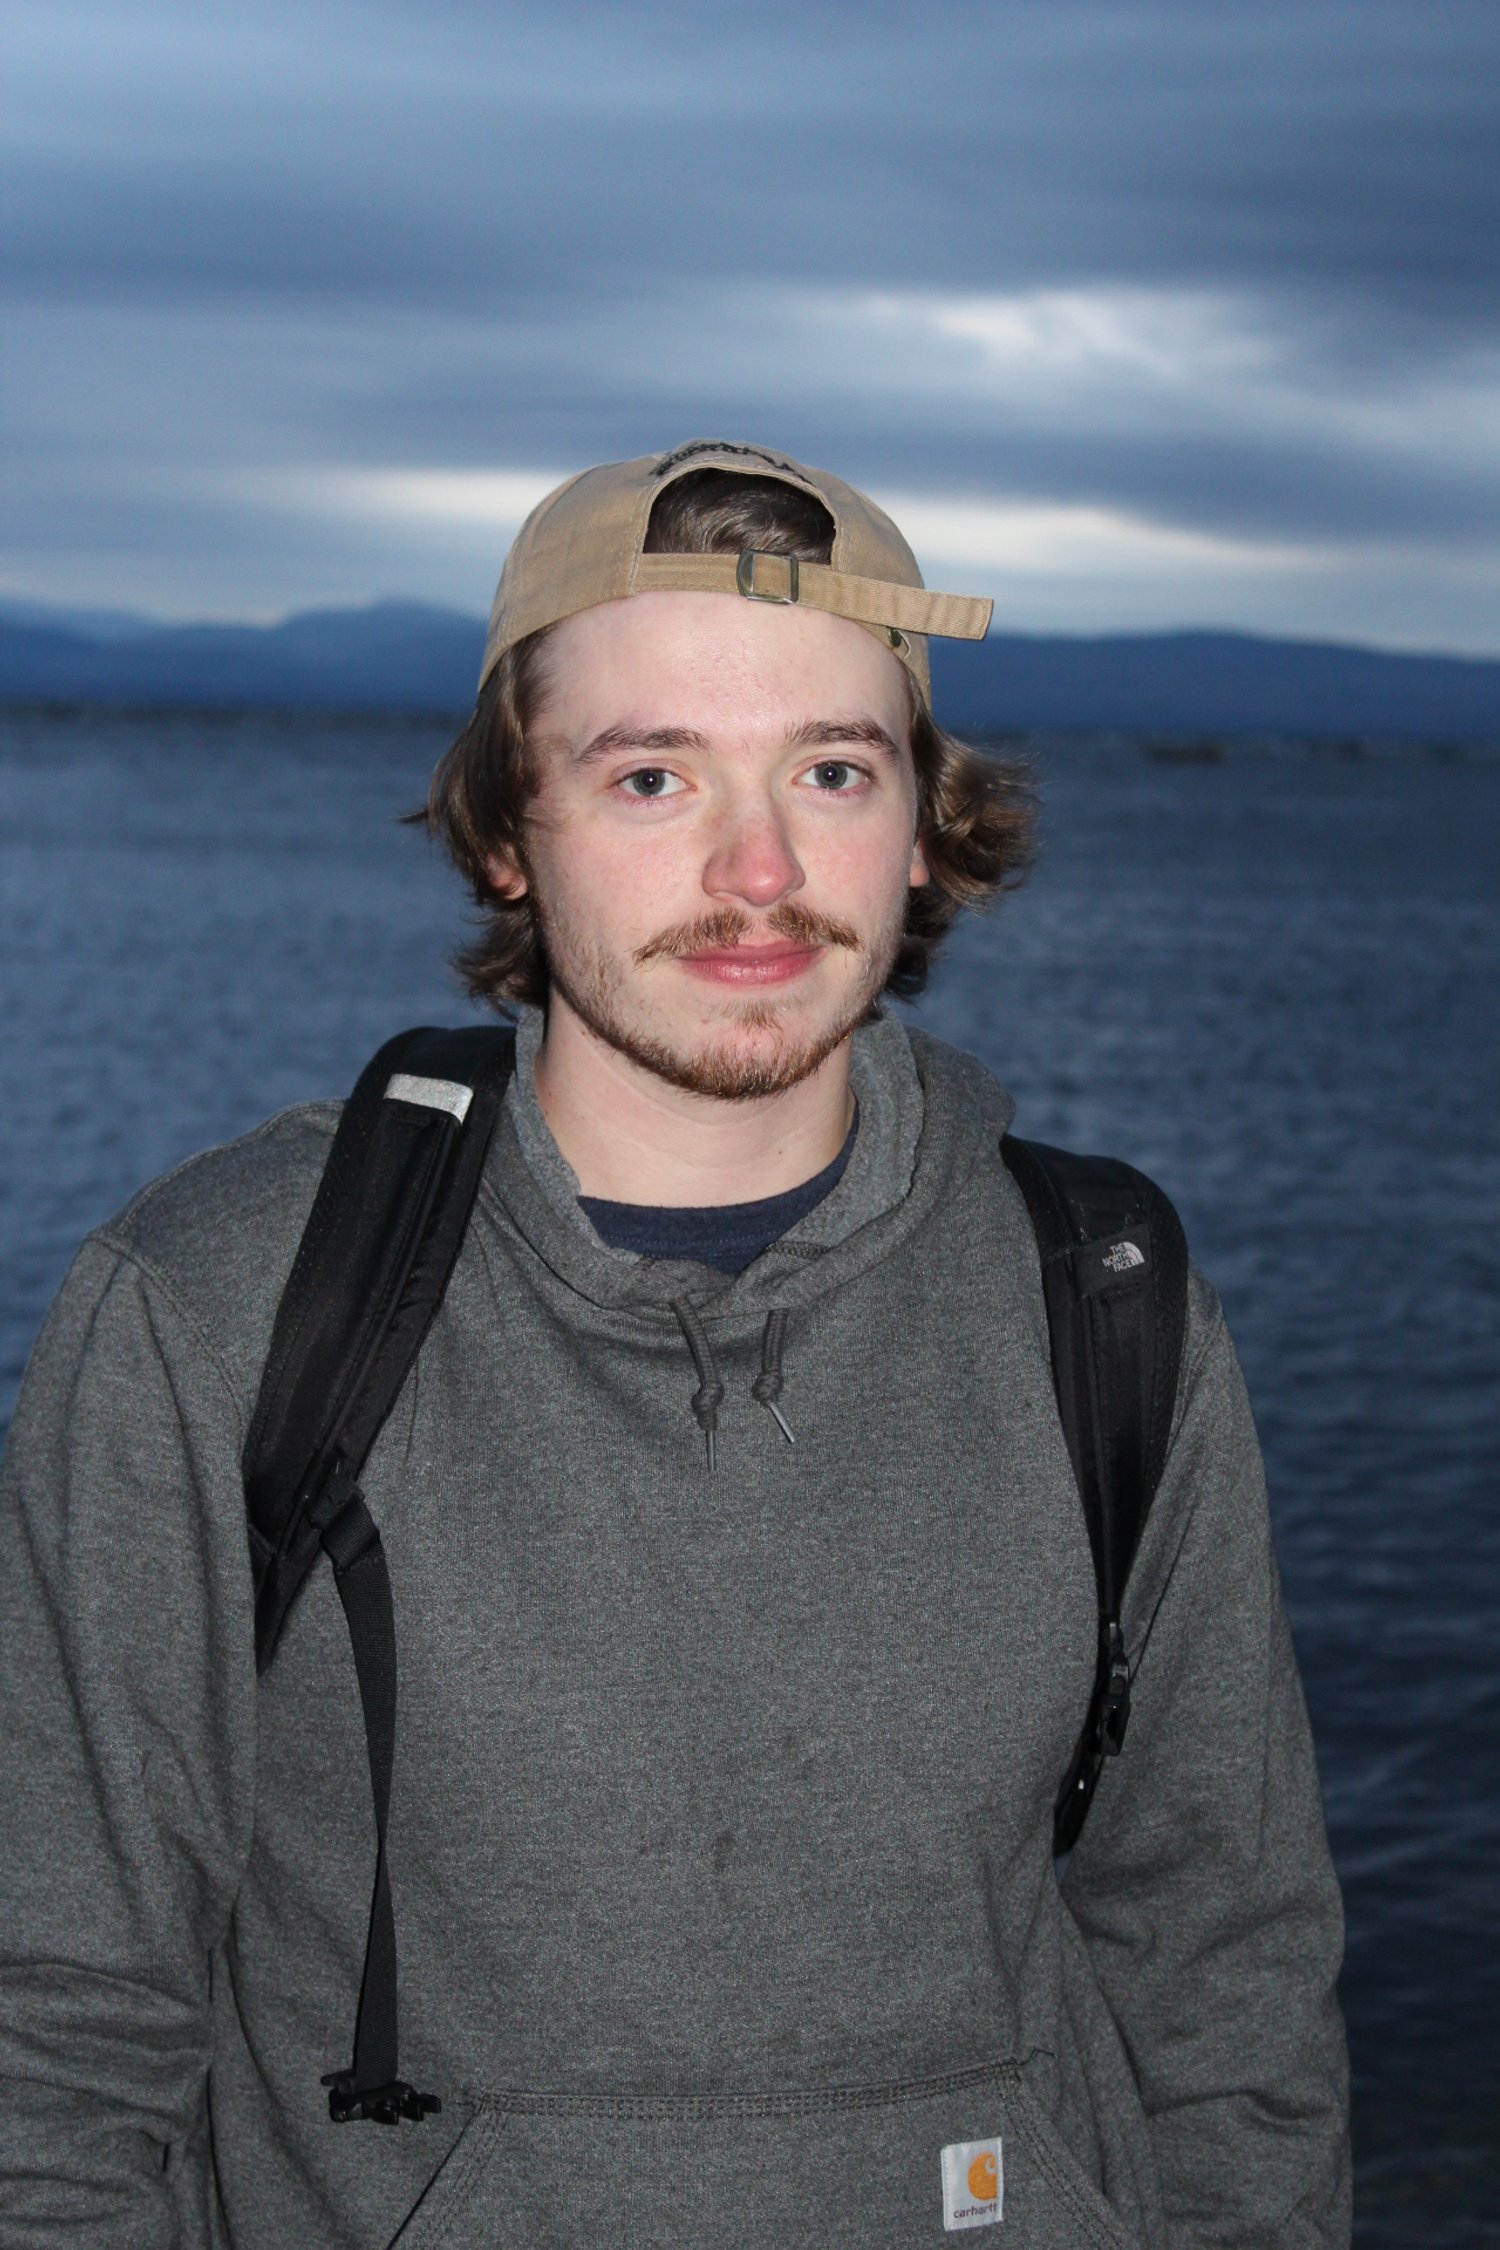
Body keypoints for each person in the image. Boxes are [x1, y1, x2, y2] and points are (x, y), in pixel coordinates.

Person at [0, 439, 1350, 2247]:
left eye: (834, 768)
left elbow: (1229, 1973)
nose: (762, 865)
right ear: (504, 828)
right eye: (652, 774)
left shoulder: (1101, 1293)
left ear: (928, 822)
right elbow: (63, 2033)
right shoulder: (224, 1299)